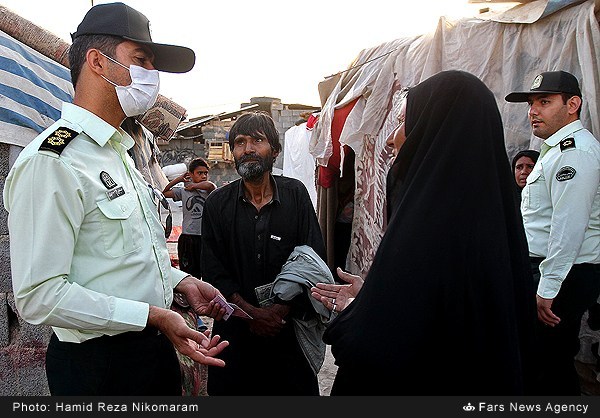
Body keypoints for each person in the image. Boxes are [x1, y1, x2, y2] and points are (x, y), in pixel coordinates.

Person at [2, 2, 228, 396]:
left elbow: (119, 259)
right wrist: (151, 315)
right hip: (99, 368)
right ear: (97, 62)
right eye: (141, 60)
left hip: (152, 348)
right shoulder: (53, 160)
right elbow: (39, 296)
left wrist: (181, 281)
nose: (152, 76)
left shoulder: (118, 151)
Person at [320, 70, 536, 395]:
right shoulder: (494, 221)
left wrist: (357, 312)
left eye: (406, 120)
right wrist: (376, 296)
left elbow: (381, 348)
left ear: (434, 129)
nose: (393, 137)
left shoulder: (428, 227)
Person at [201, 111, 328, 395]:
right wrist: (252, 315)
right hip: (235, 330)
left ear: (275, 150)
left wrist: (277, 312)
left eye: (257, 140)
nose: (248, 149)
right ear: (233, 151)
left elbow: (311, 260)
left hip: (287, 329)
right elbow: (212, 271)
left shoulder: (295, 195)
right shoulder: (217, 204)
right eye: (240, 142)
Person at [505, 70, 600, 395]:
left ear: (573, 104)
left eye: (544, 102)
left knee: (546, 364)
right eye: (532, 103)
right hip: (552, 270)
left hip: (562, 273)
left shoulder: (575, 153)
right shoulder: (555, 150)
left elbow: (568, 227)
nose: (533, 111)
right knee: (550, 361)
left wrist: (547, 288)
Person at [163, 157, 216, 280]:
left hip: (205, 237)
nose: (203, 176)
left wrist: (194, 186)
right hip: (188, 237)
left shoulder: (208, 191)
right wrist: (179, 179)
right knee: (189, 273)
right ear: (191, 174)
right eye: (199, 173)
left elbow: (211, 185)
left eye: (205, 173)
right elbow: (164, 192)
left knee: (208, 272)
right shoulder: (184, 192)